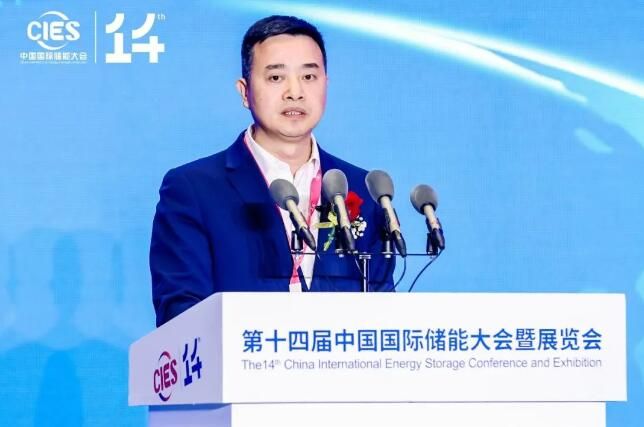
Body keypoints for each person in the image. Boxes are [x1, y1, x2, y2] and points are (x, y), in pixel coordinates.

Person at [150, 15, 394, 327]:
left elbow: (384, 312)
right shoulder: (193, 189)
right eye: (276, 77)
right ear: (244, 92)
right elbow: (180, 313)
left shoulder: (363, 188)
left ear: (326, 85)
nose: (295, 92)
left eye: (309, 76)